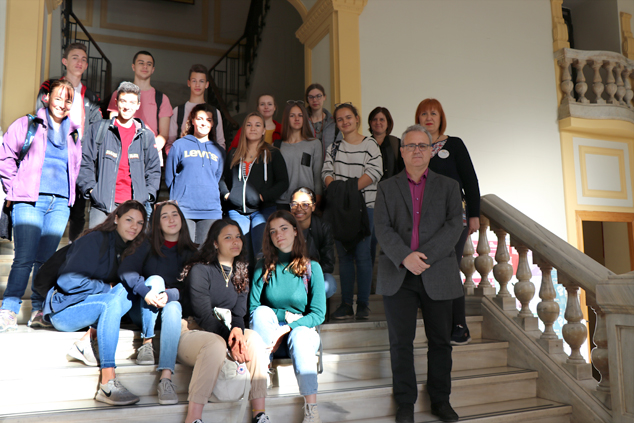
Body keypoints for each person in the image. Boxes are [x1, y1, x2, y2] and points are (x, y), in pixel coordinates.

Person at [374, 125, 463, 423]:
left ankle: (440, 400)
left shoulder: (449, 186)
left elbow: (454, 225)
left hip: (437, 272)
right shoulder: (386, 187)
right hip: (398, 274)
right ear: (401, 152)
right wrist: (405, 256)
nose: (416, 150)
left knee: (440, 342)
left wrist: (423, 257)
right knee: (401, 343)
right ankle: (405, 403)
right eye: (410, 145)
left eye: (422, 146)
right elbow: (382, 228)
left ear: (431, 151)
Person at [43, 200, 147, 406]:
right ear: (116, 219)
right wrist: (105, 288)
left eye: (140, 223)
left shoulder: (128, 248)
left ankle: (86, 340)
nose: (134, 226)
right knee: (111, 301)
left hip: (91, 307)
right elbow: (68, 281)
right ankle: (107, 383)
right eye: (129, 220)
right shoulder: (95, 240)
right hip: (65, 310)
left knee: (126, 288)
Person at [0, 79, 82, 331]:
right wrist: (13, 188)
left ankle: (38, 309)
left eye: (68, 100)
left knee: (45, 261)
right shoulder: (27, 124)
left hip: (60, 203)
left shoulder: (74, 133)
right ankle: (8, 309)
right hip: (29, 200)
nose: (62, 104)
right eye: (58, 98)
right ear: (47, 98)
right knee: (24, 258)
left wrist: (69, 199)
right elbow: (6, 156)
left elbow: (75, 167)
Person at [178, 219, 271, 423]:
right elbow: (203, 316)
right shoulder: (200, 270)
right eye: (228, 237)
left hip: (226, 329)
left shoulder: (241, 271)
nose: (235, 241)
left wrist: (237, 333)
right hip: (193, 331)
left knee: (254, 339)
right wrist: (232, 339)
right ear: (215, 243)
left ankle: (259, 414)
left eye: (238, 237)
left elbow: (238, 314)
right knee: (215, 344)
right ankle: (193, 418)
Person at [250, 210, 326, 423]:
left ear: (295, 231)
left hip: (301, 337)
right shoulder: (263, 266)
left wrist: (288, 327)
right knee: (262, 312)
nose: (278, 235)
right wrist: (283, 315)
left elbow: (318, 314)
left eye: (283, 228)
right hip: (269, 339)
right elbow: (254, 308)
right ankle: (263, 376)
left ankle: (311, 410)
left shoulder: (312, 268)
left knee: (300, 334)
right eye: (273, 231)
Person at [118, 200, 197, 404]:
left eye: (175, 214)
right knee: (155, 280)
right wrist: (145, 292)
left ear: (182, 219)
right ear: (157, 223)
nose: (171, 219)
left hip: (170, 316)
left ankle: (165, 379)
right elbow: (126, 270)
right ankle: (147, 343)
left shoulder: (193, 253)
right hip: (143, 309)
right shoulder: (146, 244)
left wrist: (171, 295)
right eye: (164, 216)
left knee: (174, 306)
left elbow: (192, 291)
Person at [416, 98, 481, 346]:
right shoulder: (415, 147)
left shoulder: (454, 144)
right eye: (424, 114)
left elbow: (470, 180)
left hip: (455, 218)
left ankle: (459, 325)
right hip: (425, 222)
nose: (428, 118)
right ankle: (440, 323)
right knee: (431, 270)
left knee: (450, 269)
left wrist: (474, 214)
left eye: (433, 113)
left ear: (441, 118)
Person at [36, 42, 103, 242]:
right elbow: (41, 113)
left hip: (79, 157)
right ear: (65, 61)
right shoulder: (49, 86)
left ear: (87, 65)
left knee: (78, 210)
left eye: (83, 59)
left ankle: (73, 248)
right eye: (75, 58)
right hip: (52, 154)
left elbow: (96, 127)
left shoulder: (91, 96)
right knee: (47, 202)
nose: (79, 62)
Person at [322, 103, 382, 320]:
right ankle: (346, 304)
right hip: (340, 210)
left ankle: (363, 305)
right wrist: (341, 192)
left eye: (348, 117)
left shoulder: (370, 144)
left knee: (363, 256)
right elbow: (326, 173)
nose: (345, 122)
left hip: (366, 207)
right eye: (340, 119)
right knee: (345, 257)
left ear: (357, 118)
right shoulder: (333, 148)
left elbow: (375, 172)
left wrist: (346, 190)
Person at [79, 81, 161, 228]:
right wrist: (91, 190)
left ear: (138, 105)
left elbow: (153, 169)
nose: (127, 106)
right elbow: (85, 161)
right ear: (116, 103)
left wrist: (147, 194)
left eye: (132, 102)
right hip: (102, 206)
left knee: (132, 244)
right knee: (97, 243)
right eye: (123, 101)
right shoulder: (99, 129)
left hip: (135, 207)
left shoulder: (146, 136)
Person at [219, 112, 288, 260]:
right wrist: (227, 195)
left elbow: (283, 182)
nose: (253, 128)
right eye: (249, 125)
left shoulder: (273, 153)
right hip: (237, 211)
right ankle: (242, 277)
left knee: (261, 251)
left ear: (263, 130)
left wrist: (263, 197)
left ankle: (260, 276)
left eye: (257, 125)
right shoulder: (233, 154)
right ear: (243, 129)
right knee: (240, 253)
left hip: (263, 210)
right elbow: (223, 179)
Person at [165, 103, 224, 243]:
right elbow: (169, 177)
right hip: (184, 209)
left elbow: (217, 178)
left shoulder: (219, 151)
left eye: (208, 120)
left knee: (206, 252)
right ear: (192, 121)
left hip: (211, 210)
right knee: (185, 251)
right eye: (200, 119)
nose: (204, 123)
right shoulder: (179, 145)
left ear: (212, 124)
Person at [107, 51, 172, 164]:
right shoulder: (118, 94)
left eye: (149, 64)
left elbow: (164, 134)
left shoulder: (162, 98)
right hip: (122, 154)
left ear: (153, 69)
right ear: (133, 67)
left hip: (150, 157)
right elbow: (114, 125)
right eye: (141, 63)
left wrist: (149, 151)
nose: (145, 66)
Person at [368, 106, 404, 266]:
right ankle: (371, 276)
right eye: (374, 119)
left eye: (382, 119)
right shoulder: (365, 143)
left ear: (388, 122)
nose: (378, 122)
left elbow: (402, 171)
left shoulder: (396, 143)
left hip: (392, 199)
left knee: (391, 239)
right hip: (370, 199)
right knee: (371, 239)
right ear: (370, 122)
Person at [165, 64, 226, 153]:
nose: (197, 85)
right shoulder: (178, 111)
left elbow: (221, 144)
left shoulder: (215, 112)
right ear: (189, 83)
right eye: (194, 81)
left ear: (207, 84)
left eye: (201, 81)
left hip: (208, 159)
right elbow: (170, 143)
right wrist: (177, 157)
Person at [290, 187, 336, 299]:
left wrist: (307, 272)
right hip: (289, 274)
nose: (299, 208)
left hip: (314, 274)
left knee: (329, 284)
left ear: (313, 207)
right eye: (294, 204)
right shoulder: (284, 226)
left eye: (305, 205)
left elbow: (328, 264)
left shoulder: (323, 228)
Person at [275, 101, 323, 208]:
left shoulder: (314, 144)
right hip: (283, 201)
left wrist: (318, 197)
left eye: (300, 115)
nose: (297, 119)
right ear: (286, 119)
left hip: (306, 199)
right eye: (292, 115)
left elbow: (317, 175)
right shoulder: (277, 145)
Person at [305, 83, 342, 160]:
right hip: (306, 165)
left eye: (318, 96)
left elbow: (339, 148)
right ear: (307, 99)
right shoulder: (301, 121)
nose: (315, 100)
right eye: (311, 97)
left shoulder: (333, 123)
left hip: (329, 164)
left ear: (324, 97)